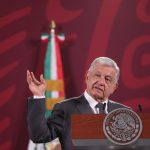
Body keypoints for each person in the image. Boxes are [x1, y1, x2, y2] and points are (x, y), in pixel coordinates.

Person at [27, 57, 130, 150]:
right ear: (87, 77)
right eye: (97, 75)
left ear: (114, 87)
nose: (101, 82)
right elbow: (39, 136)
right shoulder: (65, 108)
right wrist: (38, 95)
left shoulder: (124, 113)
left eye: (107, 79)